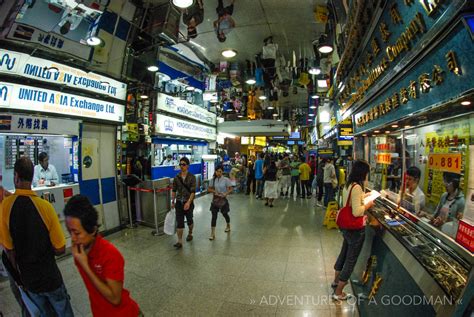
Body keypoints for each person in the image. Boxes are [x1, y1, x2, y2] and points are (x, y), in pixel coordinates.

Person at [0, 157, 73, 316]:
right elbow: (60, 248)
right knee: (63, 311)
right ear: (32, 176)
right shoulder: (45, 207)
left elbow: (9, 250)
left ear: (16, 176)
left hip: (29, 281)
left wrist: (20, 278)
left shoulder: (6, 206)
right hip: (50, 278)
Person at [64, 195, 141, 316]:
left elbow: (115, 299)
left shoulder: (110, 254)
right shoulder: (80, 251)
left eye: (77, 233)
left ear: (93, 230)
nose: (72, 239)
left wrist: (86, 266)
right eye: (69, 232)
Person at [332, 160, 374, 301]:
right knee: (350, 260)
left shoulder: (349, 185)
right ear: (363, 173)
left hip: (345, 227)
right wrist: (368, 204)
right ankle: (338, 292)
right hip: (355, 229)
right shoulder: (357, 187)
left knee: (343, 254)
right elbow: (357, 212)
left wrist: (365, 196)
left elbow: (351, 202)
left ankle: (336, 281)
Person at [171, 157, 197, 249]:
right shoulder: (176, 177)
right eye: (180, 164)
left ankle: (190, 233)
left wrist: (189, 203)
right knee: (180, 222)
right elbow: (174, 190)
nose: (182, 166)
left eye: (184, 164)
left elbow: (193, 192)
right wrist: (173, 201)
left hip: (188, 202)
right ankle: (179, 241)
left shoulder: (192, 177)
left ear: (188, 166)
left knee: (189, 221)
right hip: (179, 202)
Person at [430, 172, 465, 237]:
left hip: (447, 235)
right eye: (444, 181)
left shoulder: (461, 202)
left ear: (454, 183)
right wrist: (431, 218)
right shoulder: (444, 195)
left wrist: (443, 222)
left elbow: (457, 224)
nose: (445, 184)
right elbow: (436, 213)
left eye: (447, 182)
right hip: (436, 231)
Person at [208, 166, 233, 240]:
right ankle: (212, 233)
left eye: (220, 171)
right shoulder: (213, 180)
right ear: (215, 171)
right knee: (214, 216)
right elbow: (209, 189)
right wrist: (214, 191)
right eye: (217, 171)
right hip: (215, 200)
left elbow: (231, 188)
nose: (218, 173)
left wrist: (225, 193)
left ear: (222, 172)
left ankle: (228, 225)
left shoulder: (226, 180)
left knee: (225, 214)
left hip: (223, 200)